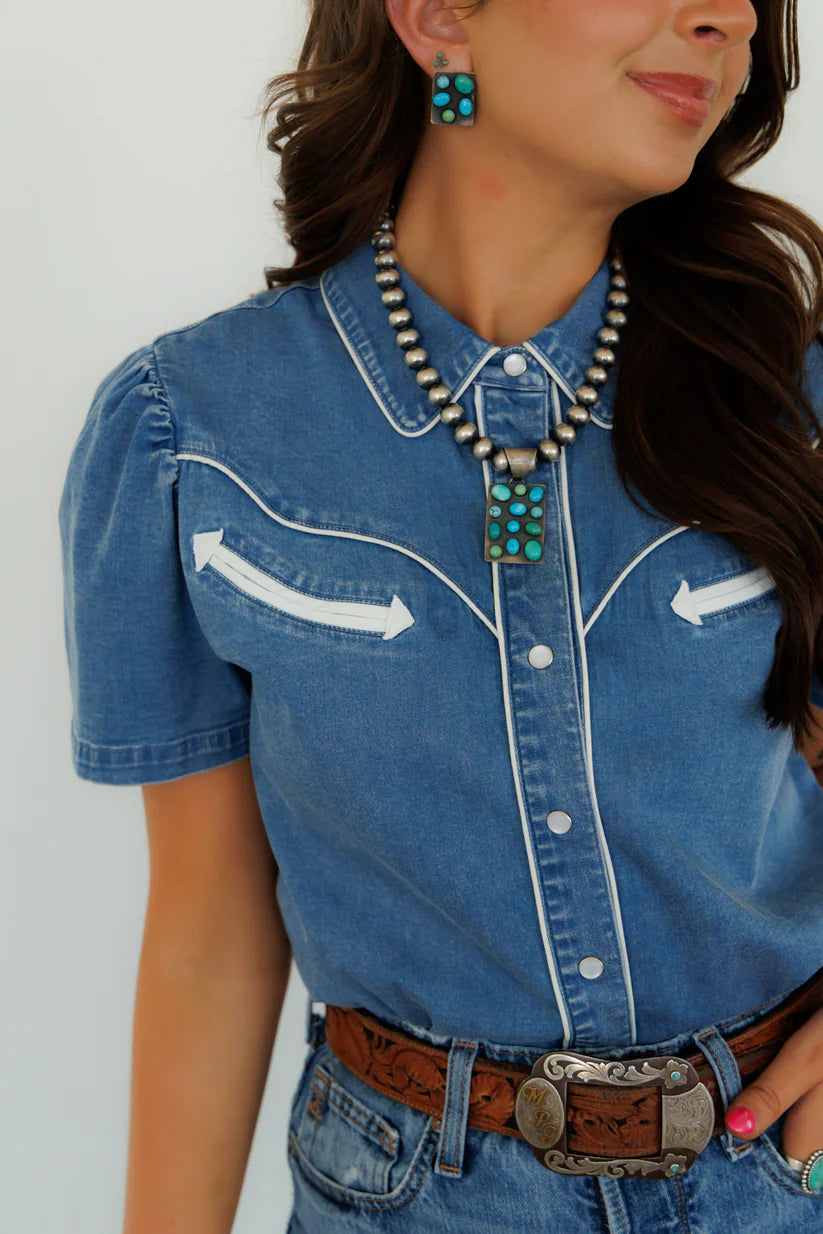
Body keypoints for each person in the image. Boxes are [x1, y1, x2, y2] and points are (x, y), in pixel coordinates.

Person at [56, 0, 823, 1230]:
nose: (727, 14)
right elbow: (210, 936)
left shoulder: (793, 391)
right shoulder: (188, 432)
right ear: (437, 18)